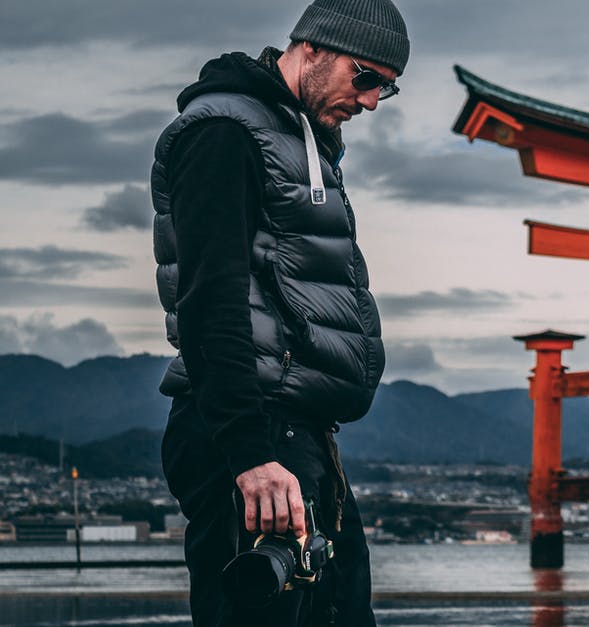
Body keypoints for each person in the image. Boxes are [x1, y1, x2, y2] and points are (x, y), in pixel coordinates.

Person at [150, 1, 408, 624]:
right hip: (256, 437)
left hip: (302, 436)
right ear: (314, 48)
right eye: (365, 77)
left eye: (388, 88)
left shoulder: (298, 139)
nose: (372, 100)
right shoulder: (226, 132)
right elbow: (212, 299)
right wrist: (248, 454)